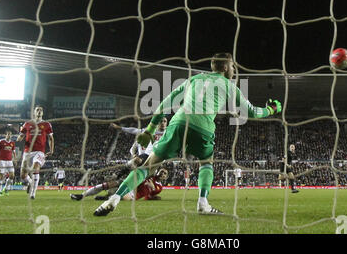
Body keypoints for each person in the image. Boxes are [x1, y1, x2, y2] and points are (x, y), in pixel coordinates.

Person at [94, 52, 282, 216]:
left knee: (149, 166)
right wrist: (271, 110)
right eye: (232, 65)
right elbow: (252, 112)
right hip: (203, 126)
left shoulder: (194, 79)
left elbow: (166, 102)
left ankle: (115, 198)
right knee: (206, 162)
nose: (234, 69)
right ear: (225, 67)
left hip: (179, 122)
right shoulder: (229, 85)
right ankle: (202, 203)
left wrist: (150, 129)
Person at [70, 118, 168, 201]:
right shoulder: (147, 133)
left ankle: (109, 196)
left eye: (165, 121)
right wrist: (120, 128)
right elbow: (133, 131)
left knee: (121, 190)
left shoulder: (168, 133)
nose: (163, 123)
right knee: (113, 183)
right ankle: (83, 195)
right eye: (161, 121)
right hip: (140, 163)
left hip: (149, 164)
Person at [17, 105, 54, 199]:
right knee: (23, 175)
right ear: (34, 112)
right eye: (37, 110)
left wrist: (51, 149)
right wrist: (19, 137)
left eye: (41, 110)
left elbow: (50, 138)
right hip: (28, 151)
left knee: (35, 167)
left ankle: (33, 193)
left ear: (42, 113)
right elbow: (20, 137)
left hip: (40, 151)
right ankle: (30, 182)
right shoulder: (27, 124)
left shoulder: (46, 124)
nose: (39, 111)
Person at [0, 130, 16, 196]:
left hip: (9, 161)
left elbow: (13, 152)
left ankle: (6, 188)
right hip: (2, 161)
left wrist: (15, 159)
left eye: (10, 134)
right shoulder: (1, 141)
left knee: (12, 176)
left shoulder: (12, 143)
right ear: (5, 135)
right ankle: (0, 191)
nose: (9, 136)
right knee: (1, 176)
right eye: (8, 134)